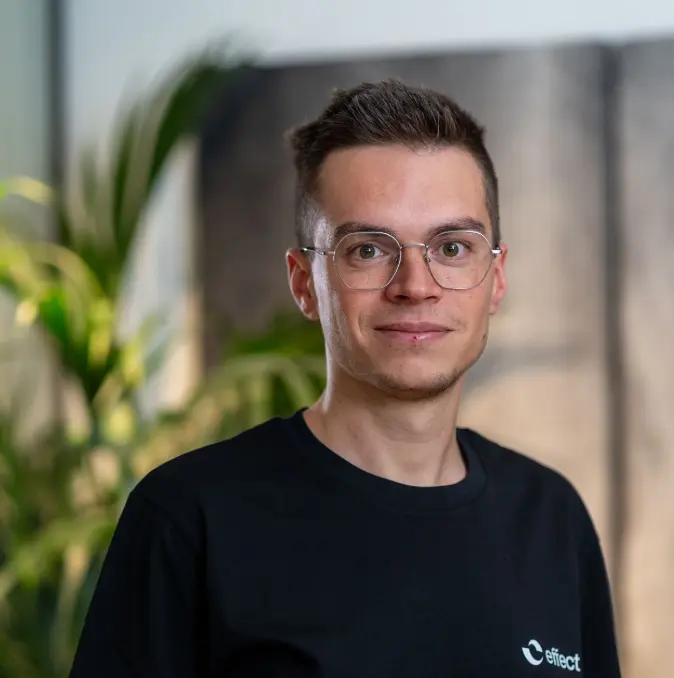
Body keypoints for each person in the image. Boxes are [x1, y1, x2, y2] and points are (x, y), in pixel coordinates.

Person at [69, 80, 621, 677]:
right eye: (368, 250)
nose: (416, 285)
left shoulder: (552, 520)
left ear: (497, 278)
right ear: (304, 283)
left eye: (452, 247)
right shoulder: (189, 517)